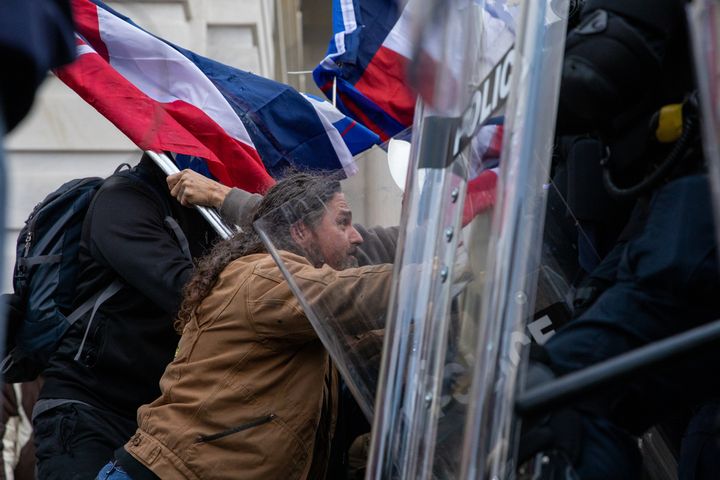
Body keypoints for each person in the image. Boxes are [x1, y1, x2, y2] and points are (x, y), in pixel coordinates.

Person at [95, 171, 394, 480]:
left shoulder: (294, 303)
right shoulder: (263, 276)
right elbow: (347, 293)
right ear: (302, 230)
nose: (356, 236)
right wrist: (437, 279)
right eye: (342, 222)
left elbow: (367, 340)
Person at [32, 153, 217, 480]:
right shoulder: (124, 199)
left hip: (155, 416)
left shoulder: (208, 215)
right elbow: (183, 289)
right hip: (88, 409)